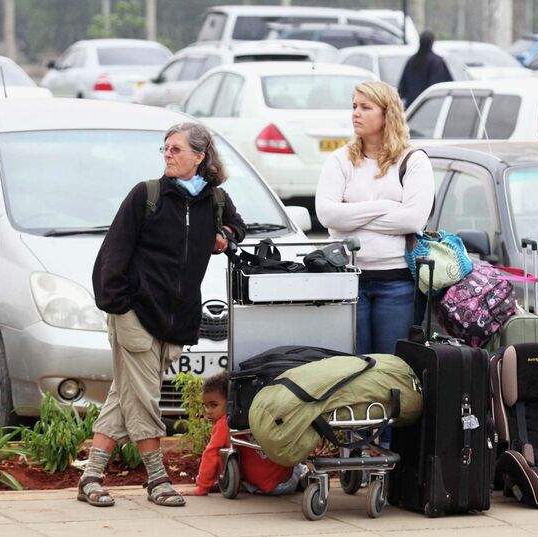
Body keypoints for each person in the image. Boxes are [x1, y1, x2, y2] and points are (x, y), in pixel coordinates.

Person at [78, 122, 246, 508]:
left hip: (175, 317)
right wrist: (118, 304)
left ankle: (90, 476)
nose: (168, 155)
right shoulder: (147, 195)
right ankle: (157, 479)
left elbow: (238, 227)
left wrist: (226, 234)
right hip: (133, 313)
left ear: (199, 157)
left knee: (125, 397)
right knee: (144, 398)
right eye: (165, 149)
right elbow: (112, 254)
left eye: (176, 149)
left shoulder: (215, 199)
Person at [316, 80, 434, 358]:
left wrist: (349, 218)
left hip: (397, 284)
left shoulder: (413, 160)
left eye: (365, 107)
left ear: (387, 113)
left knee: (389, 367)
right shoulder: (340, 160)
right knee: (350, 366)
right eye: (354, 106)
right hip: (347, 281)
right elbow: (327, 215)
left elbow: (413, 220)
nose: (355, 112)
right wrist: (385, 206)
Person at [192, 371, 304, 496]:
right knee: (294, 464)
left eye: (214, 405)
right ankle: (303, 475)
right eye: (206, 406)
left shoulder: (223, 424)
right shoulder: (253, 415)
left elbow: (210, 454)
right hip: (286, 480)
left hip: (260, 487)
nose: (208, 411)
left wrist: (202, 487)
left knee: (222, 453)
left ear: (230, 402)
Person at [397, 30, 453, 108]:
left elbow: (402, 88)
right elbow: (444, 84)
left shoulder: (411, 61)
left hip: (412, 107)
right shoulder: (437, 62)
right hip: (430, 106)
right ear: (432, 42)